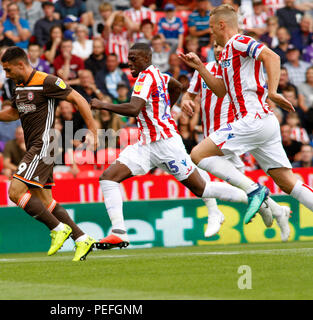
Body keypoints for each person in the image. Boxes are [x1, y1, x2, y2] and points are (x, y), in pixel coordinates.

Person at [89, 43, 266, 249]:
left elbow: (134, 109)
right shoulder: (159, 75)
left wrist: (103, 104)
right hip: (146, 145)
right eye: (128, 59)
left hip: (166, 145)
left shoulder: (146, 77)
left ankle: (254, 196)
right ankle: (118, 232)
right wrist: (165, 111)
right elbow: (176, 86)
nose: (129, 63)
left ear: (147, 59)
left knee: (203, 189)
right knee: (108, 178)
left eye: (134, 58)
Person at [178, 4, 313, 229]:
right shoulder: (228, 54)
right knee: (288, 182)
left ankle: (254, 190)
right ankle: (256, 191)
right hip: (262, 124)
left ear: (222, 25)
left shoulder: (238, 41)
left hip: (253, 119)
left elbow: (272, 56)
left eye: (212, 28)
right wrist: (201, 67)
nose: (210, 33)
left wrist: (272, 91)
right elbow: (222, 91)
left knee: (198, 154)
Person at [0, 46, 98, 261]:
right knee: (45, 201)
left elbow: (79, 99)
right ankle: (82, 239)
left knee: (15, 192)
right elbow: (15, 112)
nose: (6, 74)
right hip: (37, 145)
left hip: (44, 144)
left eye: (7, 70)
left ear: (21, 65)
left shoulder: (47, 81)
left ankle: (57, 229)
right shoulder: (19, 84)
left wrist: (93, 131)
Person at [181, 40, 290, 239]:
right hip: (211, 135)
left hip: (231, 134)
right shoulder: (203, 70)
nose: (218, 50)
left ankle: (215, 213)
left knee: (198, 167)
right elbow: (189, 94)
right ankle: (276, 209)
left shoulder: (236, 69)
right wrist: (186, 101)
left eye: (221, 46)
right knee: (241, 183)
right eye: (215, 47)